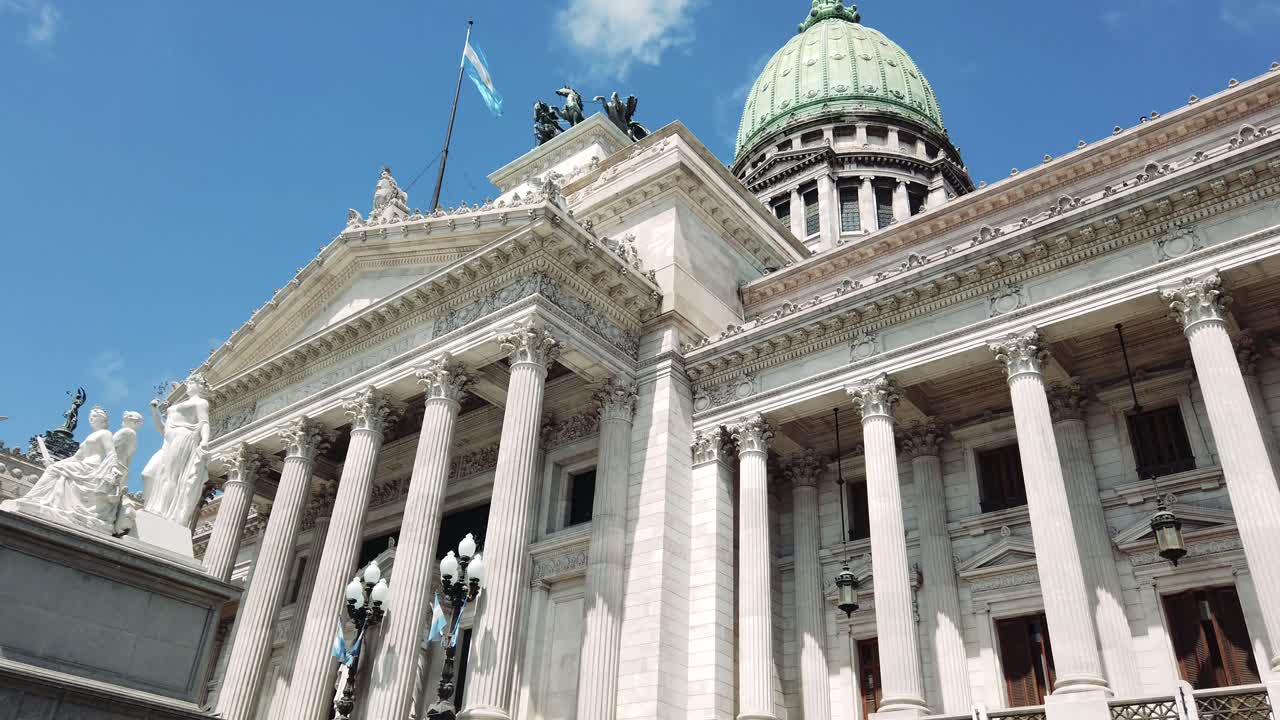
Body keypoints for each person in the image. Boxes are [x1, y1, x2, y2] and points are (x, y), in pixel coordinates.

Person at [8, 406, 121, 532]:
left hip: (92, 467)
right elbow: (76, 457)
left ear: (102, 419)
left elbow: (111, 453)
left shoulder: (105, 433)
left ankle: (32, 498)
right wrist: (54, 463)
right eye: (90, 417)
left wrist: (114, 468)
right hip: (82, 465)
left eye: (94, 417)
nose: (91, 419)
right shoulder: (92, 435)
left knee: (53, 470)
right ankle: (38, 499)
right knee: (53, 469)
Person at [141, 373, 211, 527]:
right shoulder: (178, 406)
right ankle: (152, 507)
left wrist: (204, 441)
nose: (188, 385)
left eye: (191, 382)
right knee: (149, 474)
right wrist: (154, 412)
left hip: (183, 439)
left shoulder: (201, 403)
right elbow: (162, 429)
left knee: (171, 476)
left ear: (199, 386)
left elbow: (204, 423)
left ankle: (160, 512)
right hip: (168, 441)